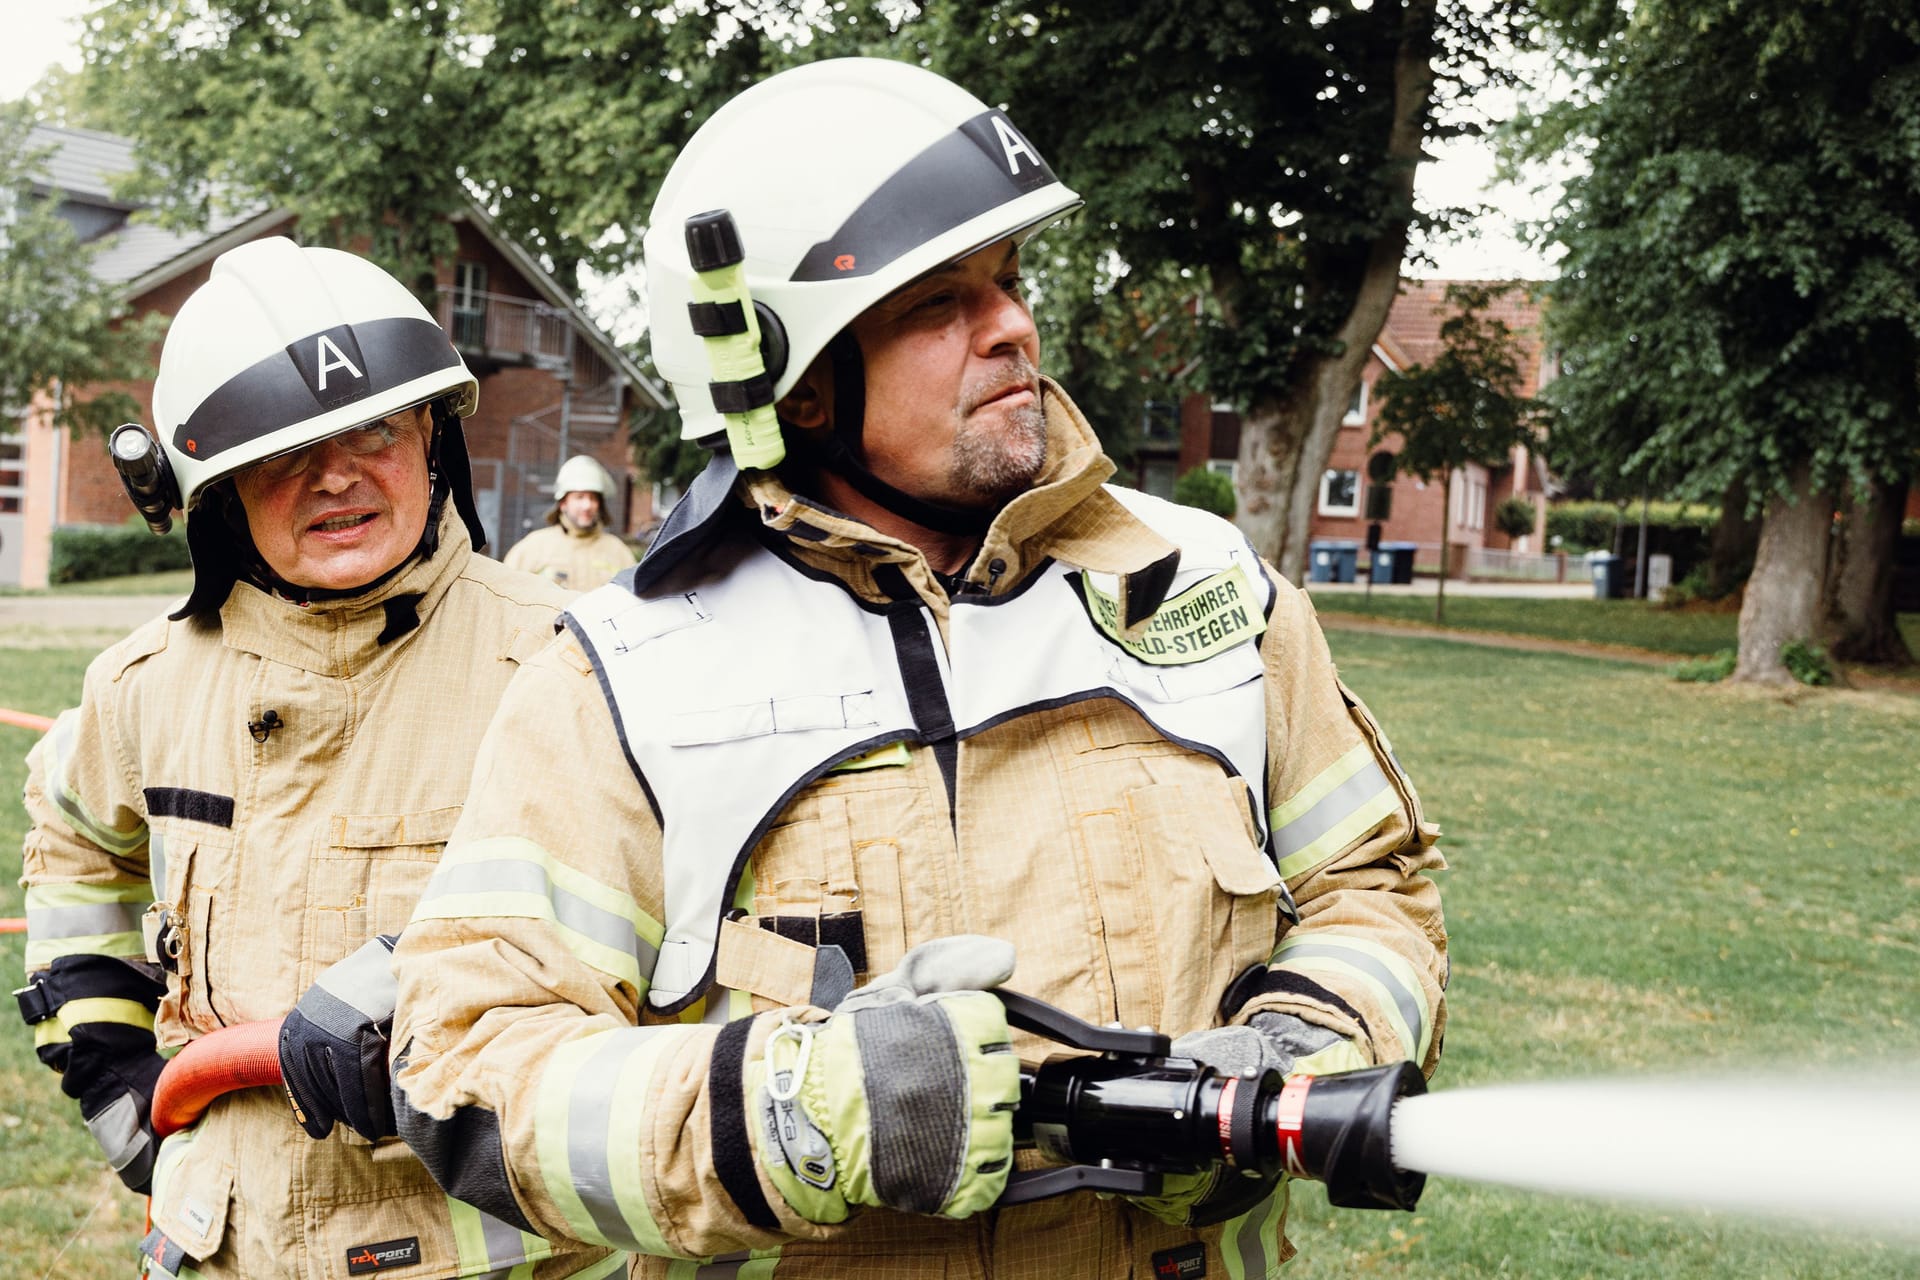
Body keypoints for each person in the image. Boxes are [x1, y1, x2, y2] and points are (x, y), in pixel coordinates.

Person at [389, 58, 1447, 1279]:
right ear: (790, 375)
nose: (1013, 325)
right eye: (938, 302)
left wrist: (1306, 1033)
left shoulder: (1204, 588)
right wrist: (784, 1118)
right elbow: (468, 1065)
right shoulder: (625, 677)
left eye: (1006, 280)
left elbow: (1374, 879)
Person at [14, 237, 621, 1280]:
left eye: (375, 428)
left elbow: (676, 928)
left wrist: (425, 987)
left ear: (434, 435)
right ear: (212, 489)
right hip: (221, 1247)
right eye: (281, 449)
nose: (336, 474)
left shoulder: (569, 659)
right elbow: (72, 846)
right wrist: (123, 1087)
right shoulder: (143, 685)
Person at [502, 454, 638, 590]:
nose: (587, 505)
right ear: (563, 503)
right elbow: (506, 592)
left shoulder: (618, 551)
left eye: (593, 498)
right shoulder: (532, 547)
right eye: (579, 497)